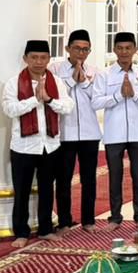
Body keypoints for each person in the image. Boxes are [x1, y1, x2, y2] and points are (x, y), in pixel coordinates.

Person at [3, 40, 74, 248]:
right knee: (22, 191)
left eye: (43, 58)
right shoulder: (13, 83)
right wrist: (35, 100)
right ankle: (21, 232)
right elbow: (9, 109)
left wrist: (49, 99)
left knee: (46, 189)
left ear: (49, 59)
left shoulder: (56, 82)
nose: (38, 62)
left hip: (50, 145)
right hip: (23, 146)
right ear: (25, 59)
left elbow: (68, 106)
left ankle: (45, 229)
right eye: (34, 57)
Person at [91, 32, 138, 229]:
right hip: (114, 134)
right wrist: (117, 96)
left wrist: (134, 95)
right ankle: (115, 217)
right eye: (120, 48)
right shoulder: (104, 74)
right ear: (114, 50)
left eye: (128, 48)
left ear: (135, 49)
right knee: (115, 178)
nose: (124, 52)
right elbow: (96, 102)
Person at [52, 29, 101, 232]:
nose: (81, 53)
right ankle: (64, 221)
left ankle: (88, 220)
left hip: (90, 132)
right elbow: (55, 95)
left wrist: (85, 82)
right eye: (77, 48)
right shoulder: (55, 69)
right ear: (67, 49)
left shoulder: (95, 71)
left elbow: (98, 99)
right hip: (65, 133)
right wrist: (72, 80)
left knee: (89, 179)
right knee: (63, 179)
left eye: (85, 49)